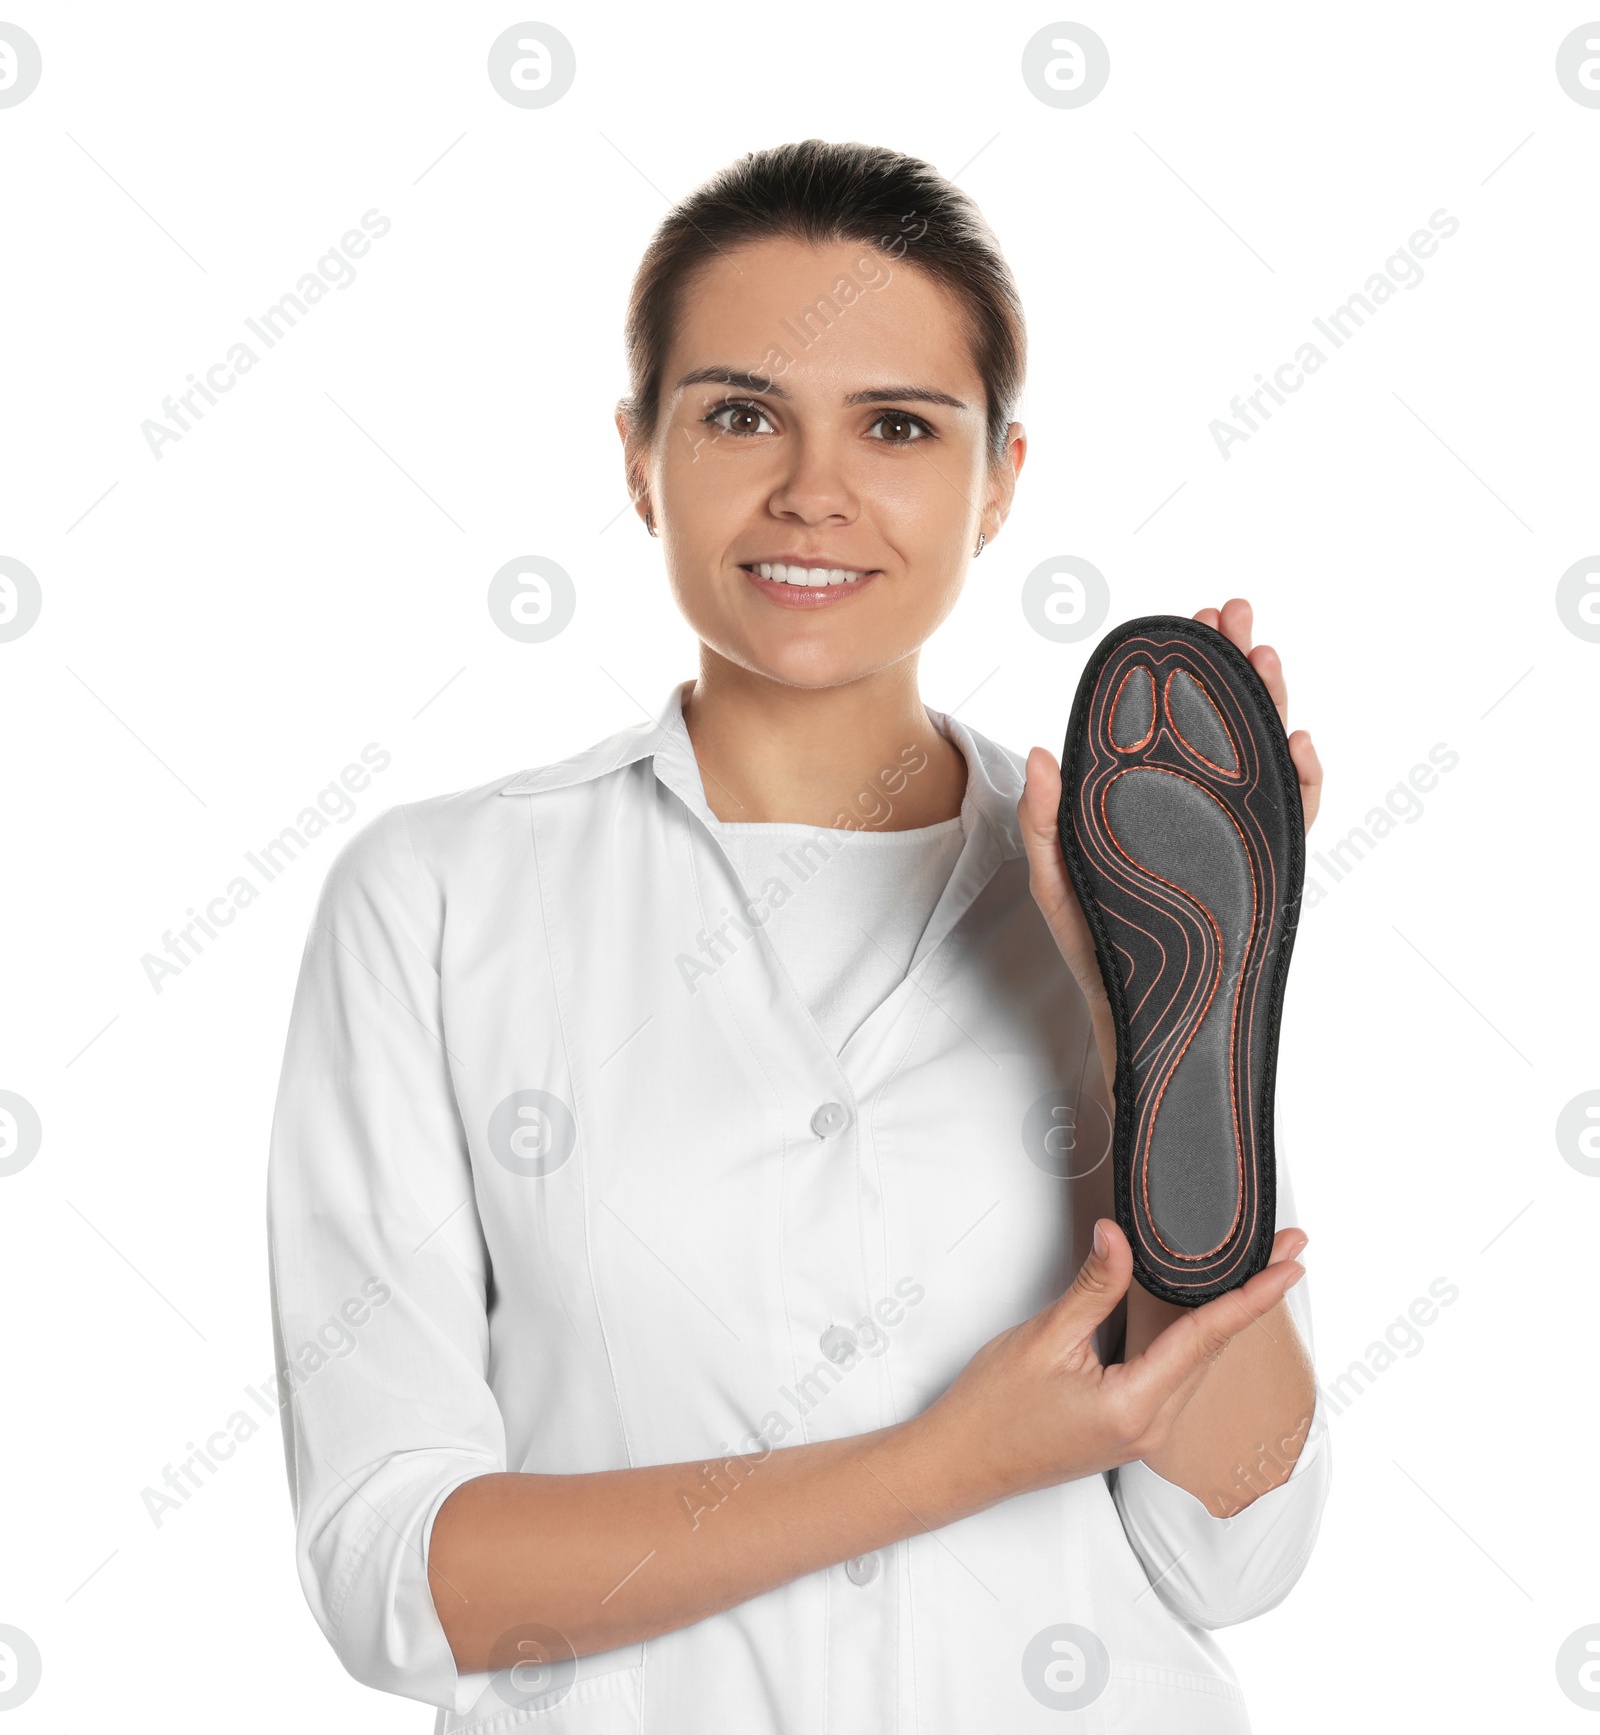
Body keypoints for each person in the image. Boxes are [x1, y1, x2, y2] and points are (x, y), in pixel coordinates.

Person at [266, 138, 1330, 1733]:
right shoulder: (436, 899)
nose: (812, 491)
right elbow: (399, 1573)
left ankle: (1186, 1089)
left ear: (1003, 482)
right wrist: (937, 1469)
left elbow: (1236, 1537)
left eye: (898, 425)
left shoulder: (1114, 890)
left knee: (1180, 1129)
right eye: (740, 414)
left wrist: (1138, 1036)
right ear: (637, 457)